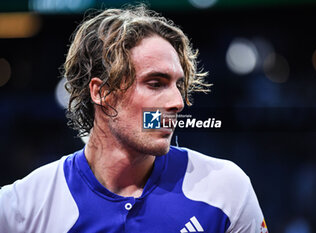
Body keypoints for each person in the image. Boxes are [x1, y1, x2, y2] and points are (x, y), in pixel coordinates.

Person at [0, 5, 268, 233]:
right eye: (155, 83)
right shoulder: (22, 208)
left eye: (179, 85)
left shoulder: (226, 189)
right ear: (102, 92)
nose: (177, 102)